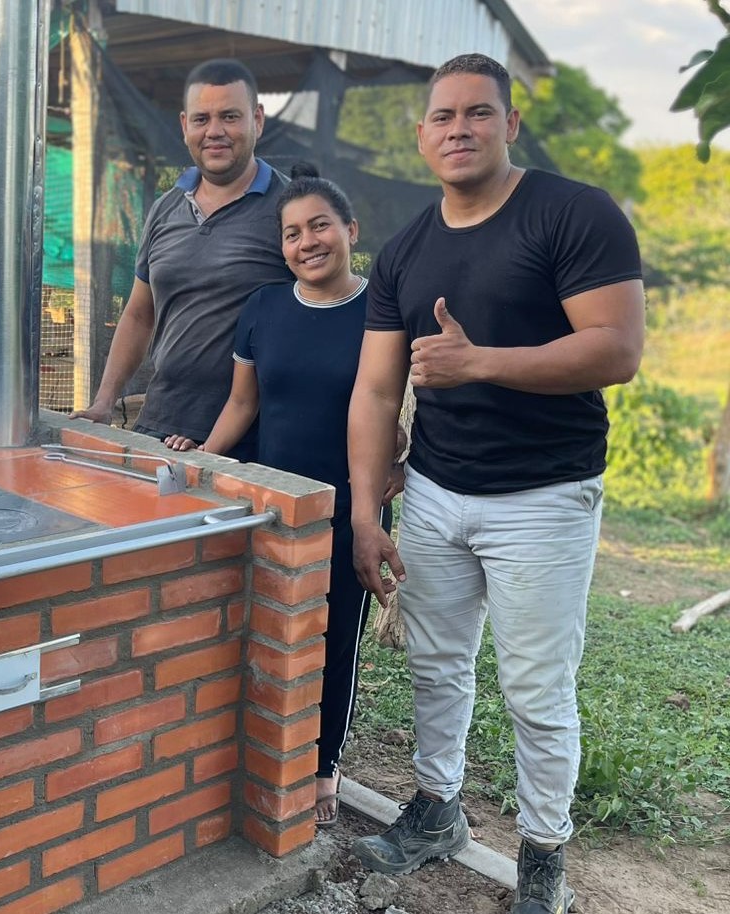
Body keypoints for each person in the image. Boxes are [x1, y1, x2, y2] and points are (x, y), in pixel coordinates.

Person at [346, 54, 644, 914]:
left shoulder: (573, 213)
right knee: (438, 666)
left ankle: (544, 857)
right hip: (437, 489)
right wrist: (369, 512)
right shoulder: (406, 248)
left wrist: (481, 362)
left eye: (479, 113)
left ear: (510, 124)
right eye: (443, 117)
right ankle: (438, 808)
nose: (460, 130)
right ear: (421, 136)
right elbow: (373, 389)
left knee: (535, 689)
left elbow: (617, 348)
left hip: (544, 497)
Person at [164, 166, 405, 826]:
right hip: (275, 504)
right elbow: (244, 403)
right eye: (292, 232)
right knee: (273, 628)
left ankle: (323, 766)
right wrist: (204, 463)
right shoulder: (264, 308)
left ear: (350, 231)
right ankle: (266, 745)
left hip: (352, 502)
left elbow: (400, 403)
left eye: (320, 226)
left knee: (336, 639)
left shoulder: (381, 310)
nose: (307, 242)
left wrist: (404, 459)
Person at [70, 58, 293, 459]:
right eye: (202, 119)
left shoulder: (292, 208)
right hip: (162, 423)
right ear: (184, 125)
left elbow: (328, 312)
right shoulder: (165, 208)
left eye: (230, 116)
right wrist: (104, 402)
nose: (215, 131)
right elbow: (140, 314)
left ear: (257, 120)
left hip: (255, 438)